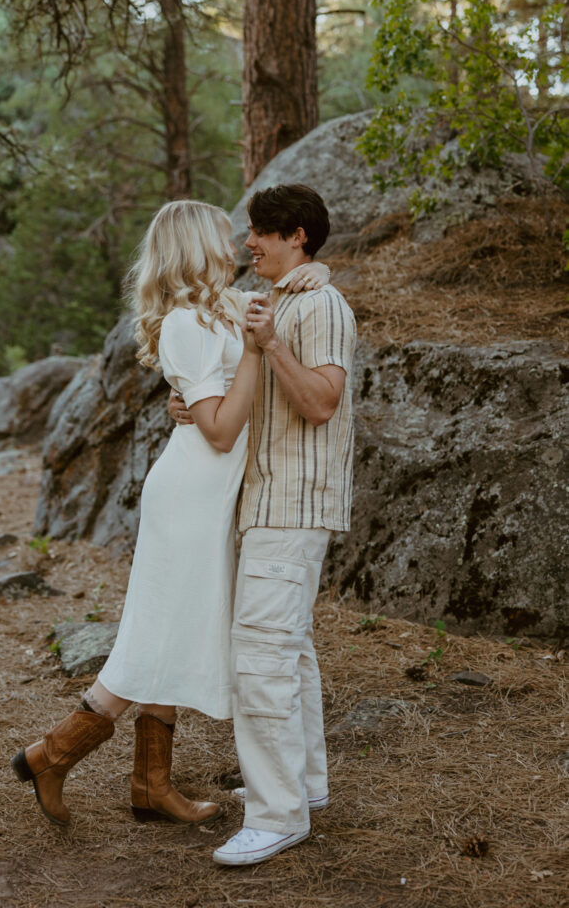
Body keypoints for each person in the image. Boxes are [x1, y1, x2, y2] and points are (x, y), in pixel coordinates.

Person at [10, 199, 328, 829]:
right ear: (193, 247)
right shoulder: (185, 322)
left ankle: (149, 786)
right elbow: (218, 429)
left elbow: (288, 293)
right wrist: (251, 362)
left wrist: (318, 274)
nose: (238, 243)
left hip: (211, 498)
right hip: (188, 496)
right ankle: (52, 754)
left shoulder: (225, 307)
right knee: (156, 635)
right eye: (222, 235)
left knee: (173, 632)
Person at [172, 184, 356, 866]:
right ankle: (302, 790)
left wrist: (274, 345)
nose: (248, 242)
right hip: (263, 504)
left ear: (297, 236)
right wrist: (192, 404)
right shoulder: (281, 299)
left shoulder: (321, 304)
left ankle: (274, 815)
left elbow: (321, 403)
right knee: (290, 652)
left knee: (260, 659)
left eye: (260, 232)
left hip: (294, 505)